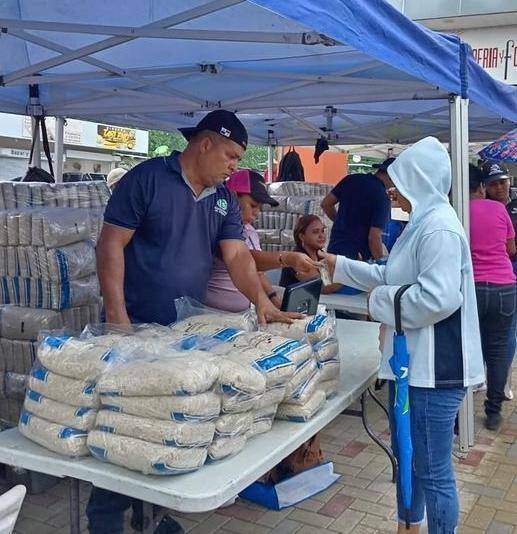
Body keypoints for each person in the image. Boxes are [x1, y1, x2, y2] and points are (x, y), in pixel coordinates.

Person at [90, 109, 305, 534]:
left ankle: (151, 515)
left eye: (239, 158)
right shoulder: (147, 179)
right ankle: (106, 518)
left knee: (164, 424)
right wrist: (118, 318)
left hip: (182, 335)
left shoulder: (223, 197)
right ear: (204, 144)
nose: (233, 166)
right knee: (124, 423)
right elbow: (110, 245)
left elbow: (237, 254)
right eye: (229, 155)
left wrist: (260, 301)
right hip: (133, 326)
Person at [321, 137, 484, 533]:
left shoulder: (439, 229)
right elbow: (390, 274)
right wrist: (337, 265)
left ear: (420, 180)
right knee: (409, 457)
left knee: (432, 469)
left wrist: (378, 300)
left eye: (400, 181)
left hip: (434, 369)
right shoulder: (421, 224)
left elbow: (437, 298)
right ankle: (408, 524)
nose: (392, 190)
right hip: (411, 365)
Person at [205, 168, 315, 311]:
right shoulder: (216, 228)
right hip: (214, 313)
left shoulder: (250, 231)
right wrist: (286, 258)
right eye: (253, 205)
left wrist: (273, 299)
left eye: (260, 207)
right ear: (232, 197)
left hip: (242, 313)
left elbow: (258, 272)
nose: (257, 212)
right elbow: (242, 258)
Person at [469, 164, 516, 430]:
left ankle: (458, 414)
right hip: (504, 287)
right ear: (482, 187)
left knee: (466, 347)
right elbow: (510, 249)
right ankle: (493, 412)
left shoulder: (458, 213)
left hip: (473, 287)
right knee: (498, 351)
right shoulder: (499, 209)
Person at [483, 160, 517, 399]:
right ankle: (488, 377)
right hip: (492, 279)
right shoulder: (477, 209)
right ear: (484, 187)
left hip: (510, 276)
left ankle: (501, 380)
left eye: (503, 182)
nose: (500, 188)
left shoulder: (515, 207)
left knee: (508, 334)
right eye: (494, 184)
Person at [321, 158, 393, 261]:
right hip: (357, 257)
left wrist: (340, 221)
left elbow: (326, 204)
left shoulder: (351, 179)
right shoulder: (382, 196)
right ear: (392, 176)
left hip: (335, 249)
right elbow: (374, 237)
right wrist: (380, 263)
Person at [279, 214, 342, 294]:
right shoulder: (297, 258)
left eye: (322, 231)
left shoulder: (320, 255)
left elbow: (327, 281)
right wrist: (348, 272)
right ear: (302, 236)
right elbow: (323, 287)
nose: (321, 236)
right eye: (315, 232)